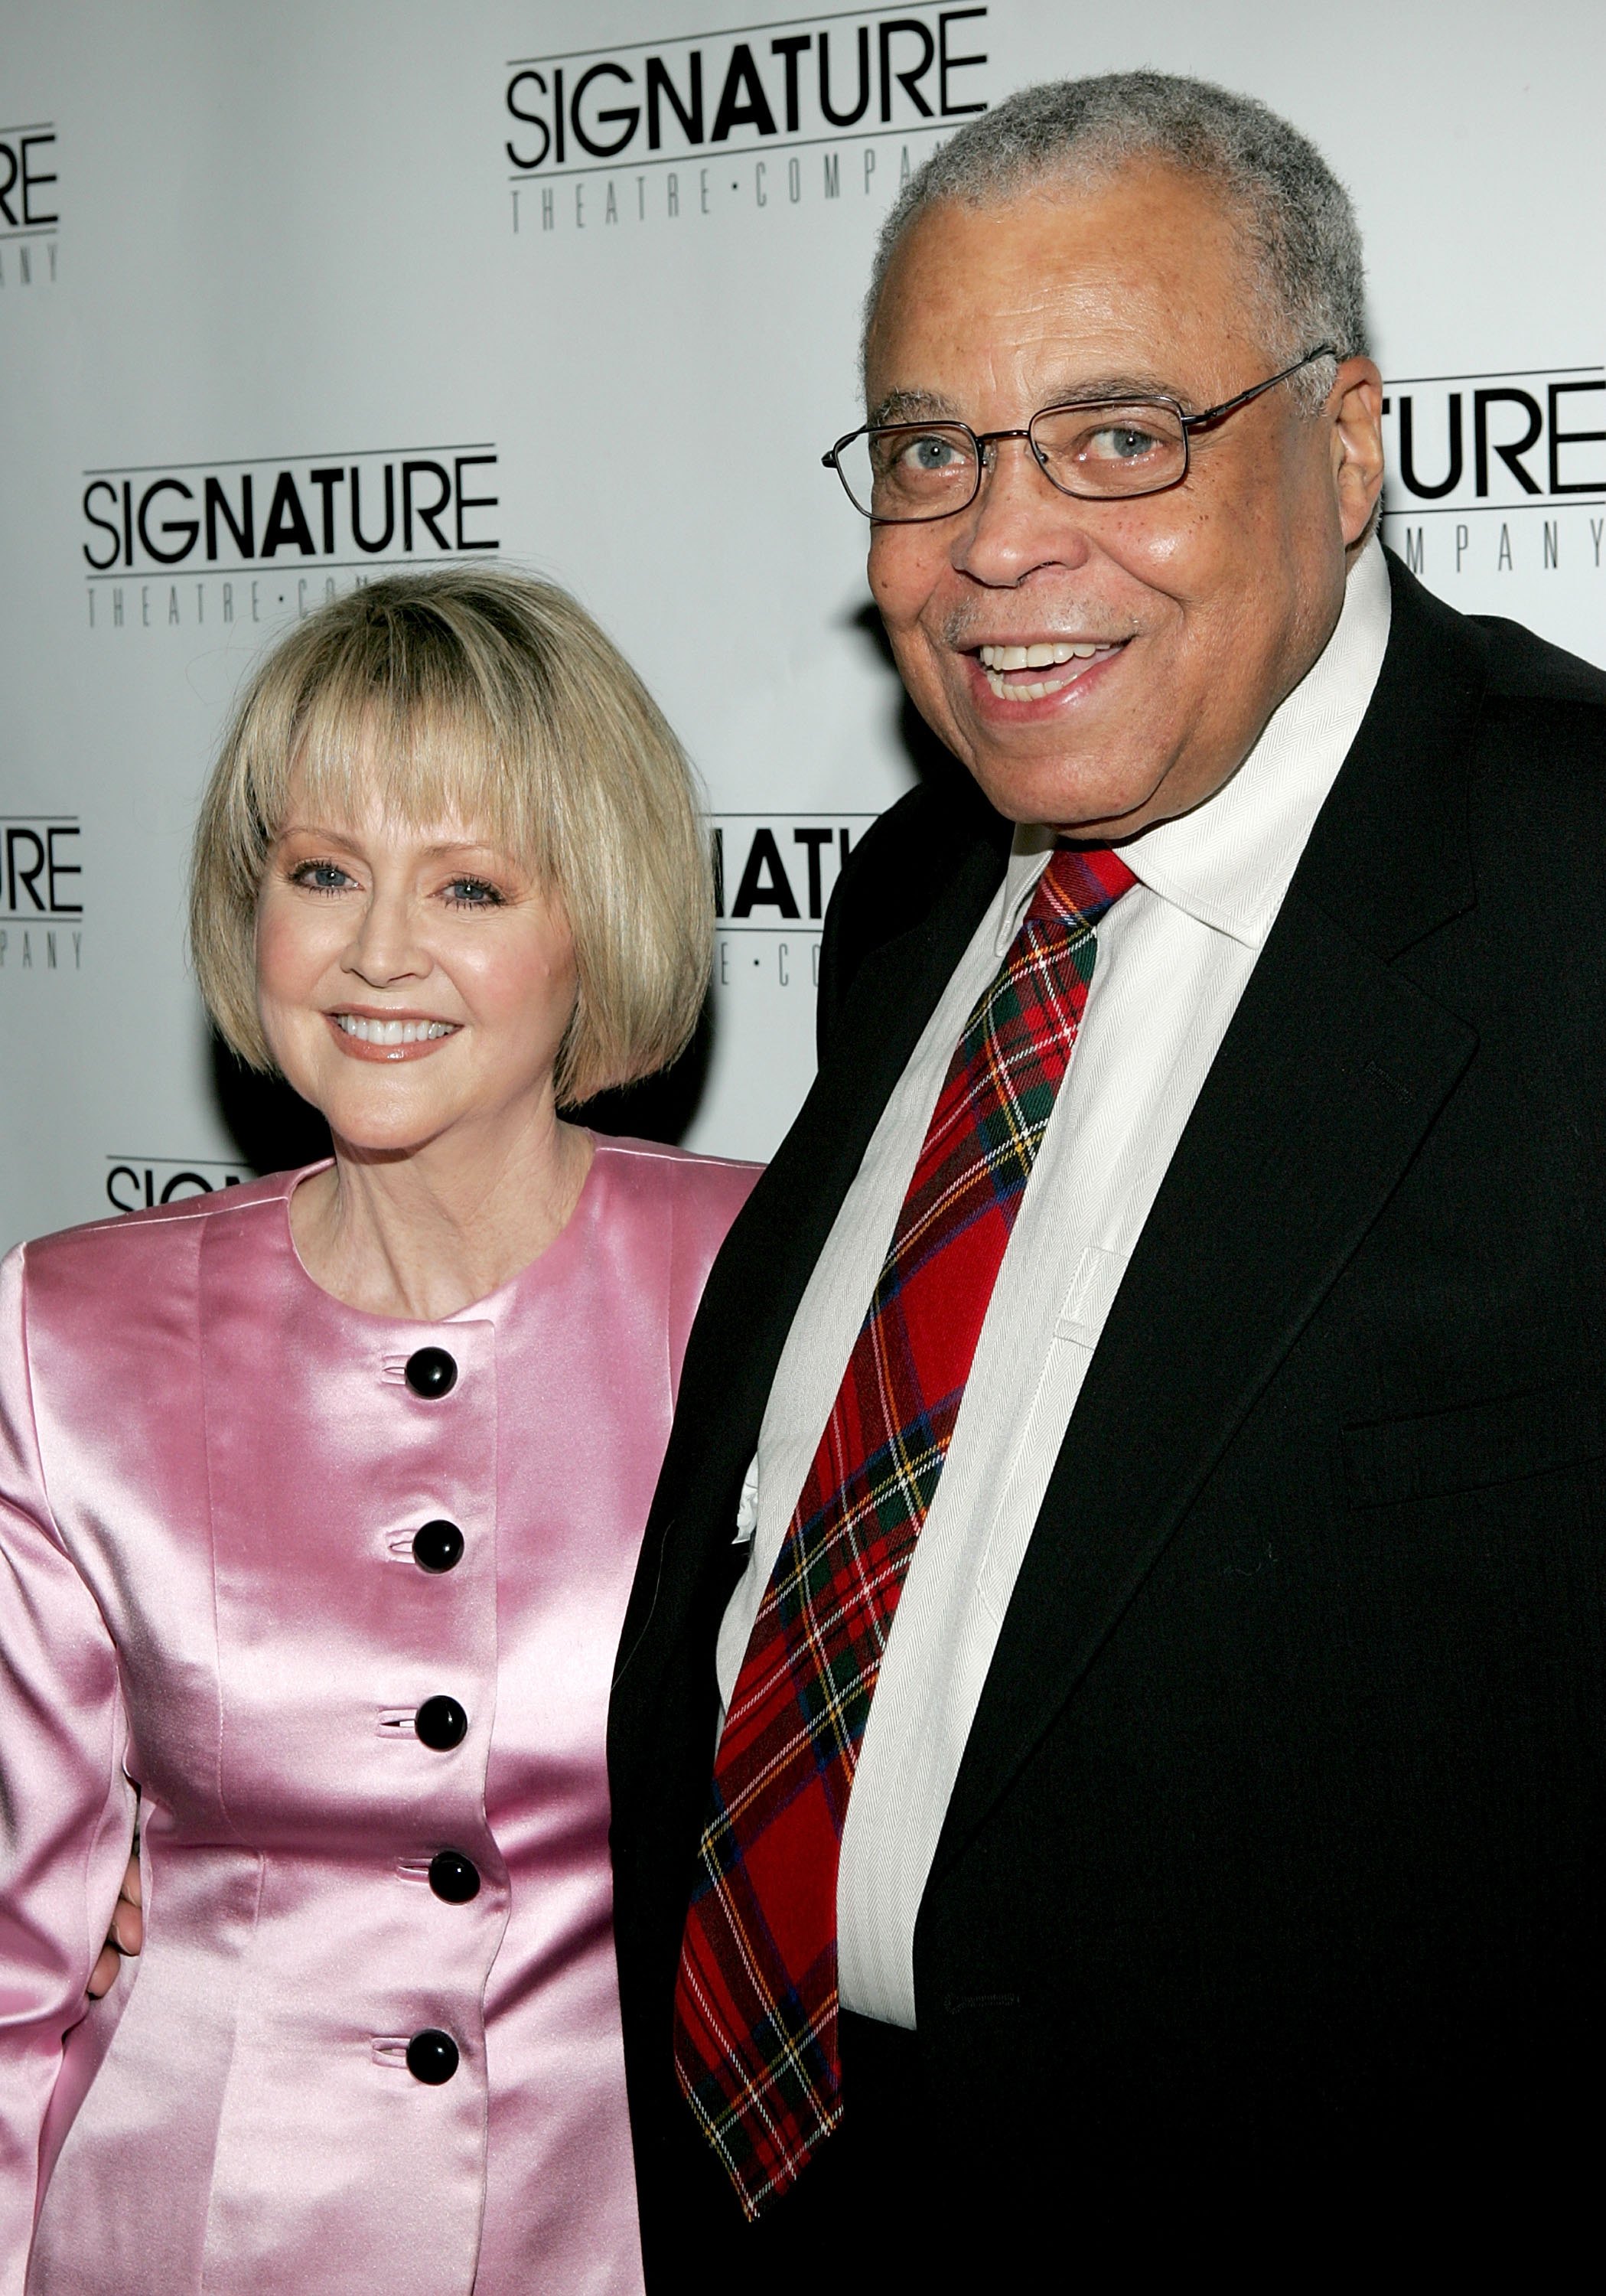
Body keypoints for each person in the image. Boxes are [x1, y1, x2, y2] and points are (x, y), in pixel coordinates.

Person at [607, 71, 1606, 2272]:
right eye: (930, 448)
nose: (997, 539)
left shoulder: (1572, 887)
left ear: (1346, 450)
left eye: (1121, 435)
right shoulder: (911, 891)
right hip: (771, 2170)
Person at [0, 567, 757, 2294]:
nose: (379, 953)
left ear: (599, 922)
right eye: (321, 872)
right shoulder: (66, 1334)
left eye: (471, 884)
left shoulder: (772, 1288)